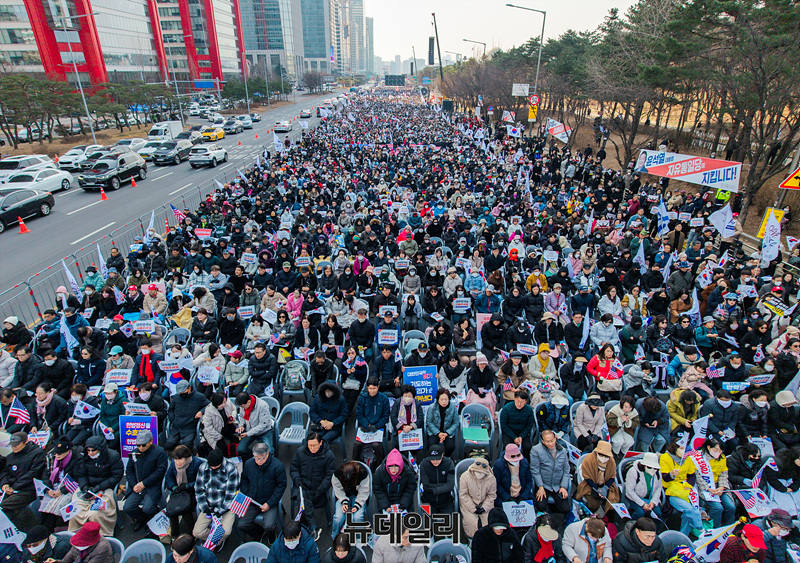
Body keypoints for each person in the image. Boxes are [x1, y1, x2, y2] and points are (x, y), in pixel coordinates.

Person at [71, 435, 123, 535]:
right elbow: (81, 475)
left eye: (93, 450)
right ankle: (78, 533)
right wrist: (84, 487)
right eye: (88, 450)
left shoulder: (113, 457)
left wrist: (99, 487)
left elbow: (116, 477)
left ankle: (101, 534)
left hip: (106, 488)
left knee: (95, 514)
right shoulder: (85, 458)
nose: (90, 453)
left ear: (100, 449)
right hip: (89, 487)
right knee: (76, 509)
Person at [290, 433, 336, 541]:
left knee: (305, 502)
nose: (312, 448)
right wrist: (297, 480)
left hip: (318, 488)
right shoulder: (301, 452)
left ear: (320, 443)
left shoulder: (328, 455)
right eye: (310, 445)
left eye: (314, 445)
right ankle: (312, 527)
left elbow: (330, 475)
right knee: (304, 499)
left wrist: (320, 490)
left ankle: (307, 527)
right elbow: (294, 468)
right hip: (302, 486)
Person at [237, 442, 286, 543]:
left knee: (269, 525)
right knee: (241, 524)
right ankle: (258, 532)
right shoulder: (249, 464)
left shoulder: (277, 466)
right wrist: (248, 494)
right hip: (253, 500)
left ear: (267, 454)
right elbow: (244, 480)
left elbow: (281, 486)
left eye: (261, 458)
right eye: (256, 457)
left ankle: (271, 535)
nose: (258, 461)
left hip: (269, 501)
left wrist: (269, 503)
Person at [124, 429, 169, 531]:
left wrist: (144, 483)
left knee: (148, 508)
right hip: (137, 486)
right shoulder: (134, 453)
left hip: (152, 485)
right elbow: (129, 470)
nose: (140, 448)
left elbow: (160, 471)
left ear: (150, 441)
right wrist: (134, 484)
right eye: (138, 445)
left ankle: (153, 517)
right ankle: (142, 518)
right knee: (128, 507)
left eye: (143, 445)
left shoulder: (159, 452)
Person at [0, 432, 46, 532]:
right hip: (11, 489)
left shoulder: (37, 453)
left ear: (25, 442)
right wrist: (4, 484)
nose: (14, 448)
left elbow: (33, 473)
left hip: (29, 490)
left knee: (4, 506)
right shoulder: (11, 456)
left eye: (17, 445)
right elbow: (4, 472)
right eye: (12, 445)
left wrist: (15, 487)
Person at [193, 449, 239, 546]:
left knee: (226, 531)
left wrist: (221, 511)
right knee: (197, 532)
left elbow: (231, 494)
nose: (213, 468)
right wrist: (205, 507)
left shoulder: (231, 468)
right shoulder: (203, 467)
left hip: (226, 507)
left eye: (215, 466)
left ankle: (216, 541)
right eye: (211, 466)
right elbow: (199, 490)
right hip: (209, 507)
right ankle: (217, 541)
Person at [659, 436, 702, 537]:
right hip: (671, 491)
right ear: (675, 448)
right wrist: (672, 474)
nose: (684, 451)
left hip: (685, 489)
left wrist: (689, 485)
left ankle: (683, 536)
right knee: (690, 510)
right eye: (681, 448)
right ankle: (701, 529)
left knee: (688, 514)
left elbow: (692, 476)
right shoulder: (665, 457)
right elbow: (664, 478)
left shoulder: (687, 458)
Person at [163, 445, 203, 544]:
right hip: (177, 491)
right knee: (172, 510)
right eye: (176, 459)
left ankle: (190, 534)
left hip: (191, 492)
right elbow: (169, 477)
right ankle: (175, 534)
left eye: (180, 459)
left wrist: (187, 486)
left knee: (185, 509)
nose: (177, 462)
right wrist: (173, 487)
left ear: (186, 457)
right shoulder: (173, 464)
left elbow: (200, 480)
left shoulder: (196, 463)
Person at [353, 377, 390, 467]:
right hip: (365, 427)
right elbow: (359, 414)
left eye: (374, 388)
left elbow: (386, 416)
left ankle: (379, 465)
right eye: (370, 388)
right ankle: (355, 464)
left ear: (378, 387)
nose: (372, 391)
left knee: (376, 445)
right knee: (357, 444)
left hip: (378, 427)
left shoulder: (383, 398)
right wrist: (367, 425)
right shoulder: (363, 398)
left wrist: (377, 426)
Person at [575, 440, 620, 514]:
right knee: (593, 504)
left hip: (605, 484)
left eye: (606, 456)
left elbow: (612, 476)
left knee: (612, 501)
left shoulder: (611, 462)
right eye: (601, 455)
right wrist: (596, 489)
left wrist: (605, 488)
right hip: (589, 484)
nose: (603, 458)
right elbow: (586, 478)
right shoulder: (588, 460)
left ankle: (607, 518)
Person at [460, 457, 498, 538]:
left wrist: (484, 507)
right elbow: (463, 495)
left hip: (485, 504)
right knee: (471, 523)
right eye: (477, 472)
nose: (479, 474)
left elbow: (492, 495)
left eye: (482, 473)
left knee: (488, 523)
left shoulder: (492, 479)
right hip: (469, 504)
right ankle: (471, 539)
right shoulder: (464, 477)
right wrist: (473, 508)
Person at [331, 461, 370, 540]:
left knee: (357, 517)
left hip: (359, 496)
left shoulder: (363, 473)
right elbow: (337, 489)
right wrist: (344, 502)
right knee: (338, 517)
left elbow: (364, 490)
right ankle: (335, 537)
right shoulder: (337, 474)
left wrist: (357, 504)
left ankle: (359, 538)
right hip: (343, 496)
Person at [165, 380, 209, 449]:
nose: (182, 394)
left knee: (186, 446)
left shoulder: (199, 397)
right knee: (168, 445)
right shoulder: (176, 397)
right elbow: (170, 409)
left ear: (189, 388)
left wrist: (201, 412)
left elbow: (209, 405)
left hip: (190, 426)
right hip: (176, 426)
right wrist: (173, 419)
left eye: (184, 392)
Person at [373, 448, 415, 513]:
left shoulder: (407, 472)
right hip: (385, 501)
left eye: (396, 467)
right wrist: (385, 505)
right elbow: (378, 489)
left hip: (402, 501)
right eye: (391, 467)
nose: (393, 470)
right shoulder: (380, 472)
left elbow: (410, 489)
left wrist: (403, 504)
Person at [624, 453, 664, 520]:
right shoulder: (633, 471)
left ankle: (655, 530)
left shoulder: (658, 473)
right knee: (640, 513)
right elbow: (630, 490)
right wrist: (642, 504)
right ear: (644, 465)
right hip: (633, 497)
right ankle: (631, 526)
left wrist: (653, 502)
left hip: (649, 498)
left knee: (658, 514)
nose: (653, 470)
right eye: (649, 467)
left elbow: (659, 488)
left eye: (655, 468)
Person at [235, 392, 275, 458]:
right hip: (250, 429)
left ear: (248, 402)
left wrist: (248, 433)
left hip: (264, 431)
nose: (242, 408)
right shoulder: (243, 406)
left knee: (269, 451)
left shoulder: (262, 406)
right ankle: (256, 456)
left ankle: (264, 459)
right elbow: (242, 416)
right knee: (240, 449)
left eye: (242, 406)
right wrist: (241, 426)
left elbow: (263, 425)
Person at [419, 444, 455, 515]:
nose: (435, 461)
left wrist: (434, 490)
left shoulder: (449, 463)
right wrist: (444, 485)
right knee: (428, 524)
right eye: (432, 459)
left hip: (446, 501)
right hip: (428, 500)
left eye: (437, 459)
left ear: (442, 455)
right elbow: (426, 486)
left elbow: (450, 485)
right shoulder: (424, 464)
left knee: (449, 524)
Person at [499, 388, 535, 458]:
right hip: (509, 432)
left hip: (522, 432)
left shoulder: (529, 410)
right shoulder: (507, 408)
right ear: (514, 398)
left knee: (527, 447)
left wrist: (522, 436)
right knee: (510, 447)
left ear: (526, 402)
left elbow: (529, 425)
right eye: (517, 401)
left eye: (522, 402)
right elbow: (504, 425)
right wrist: (514, 437)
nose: (519, 404)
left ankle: (525, 463)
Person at [309, 381, 348, 445]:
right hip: (320, 425)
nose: (328, 393)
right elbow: (312, 412)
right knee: (314, 440)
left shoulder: (341, 400)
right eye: (326, 391)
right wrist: (321, 421)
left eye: (330, 391)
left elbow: (344, 415)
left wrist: (333, 423)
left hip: (334, 427)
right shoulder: (317, 398)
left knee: (325, 440)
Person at [424, 387, 458, 458]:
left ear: (449, 399)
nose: (444, 402)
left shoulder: (453, 407)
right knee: (431, 444)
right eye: (442, 399)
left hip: (447, 432)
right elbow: (429, 422)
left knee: (450, 446)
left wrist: (447, 433)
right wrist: (438, 433)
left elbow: (456, 423)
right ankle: (433, 458)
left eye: (446, 399)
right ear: (438, 399)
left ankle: (446, 458)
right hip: (435, 431)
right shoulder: (432, 407)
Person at [390, 385, 424, 455]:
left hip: (413, 431)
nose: (407, 398)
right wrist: (403, 427)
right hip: (401, 430)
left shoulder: (417, 404)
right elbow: (393, 417)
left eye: (409, 396)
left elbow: (420, 418)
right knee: (399, 446)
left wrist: (411, 427)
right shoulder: (397, 402)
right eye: (405, 395)